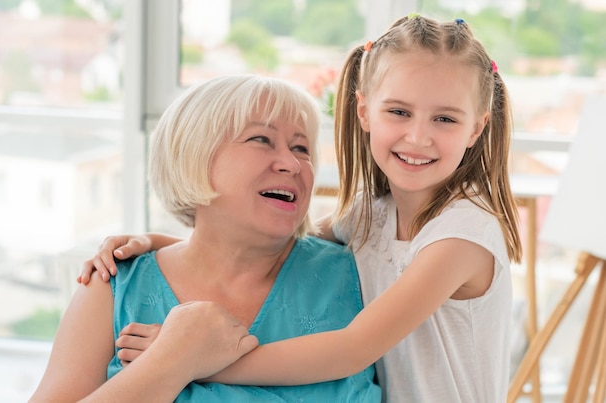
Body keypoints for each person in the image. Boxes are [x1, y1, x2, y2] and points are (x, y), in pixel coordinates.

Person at [80, 14, 523, 403]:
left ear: (476, 128)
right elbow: (263, 243)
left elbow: (353, 349)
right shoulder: (371, 216)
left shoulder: (463, 234)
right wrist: (157, 244)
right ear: (365, 112)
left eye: (445, 119)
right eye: (399, 112)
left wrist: (190, 361)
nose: (419, 137)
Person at [30, 74, 381, 402]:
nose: (291, 163)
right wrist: (174, 359)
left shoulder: (361, 273)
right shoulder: (111, 285)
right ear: (192, 156)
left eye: (301, 148)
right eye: (262, 139)